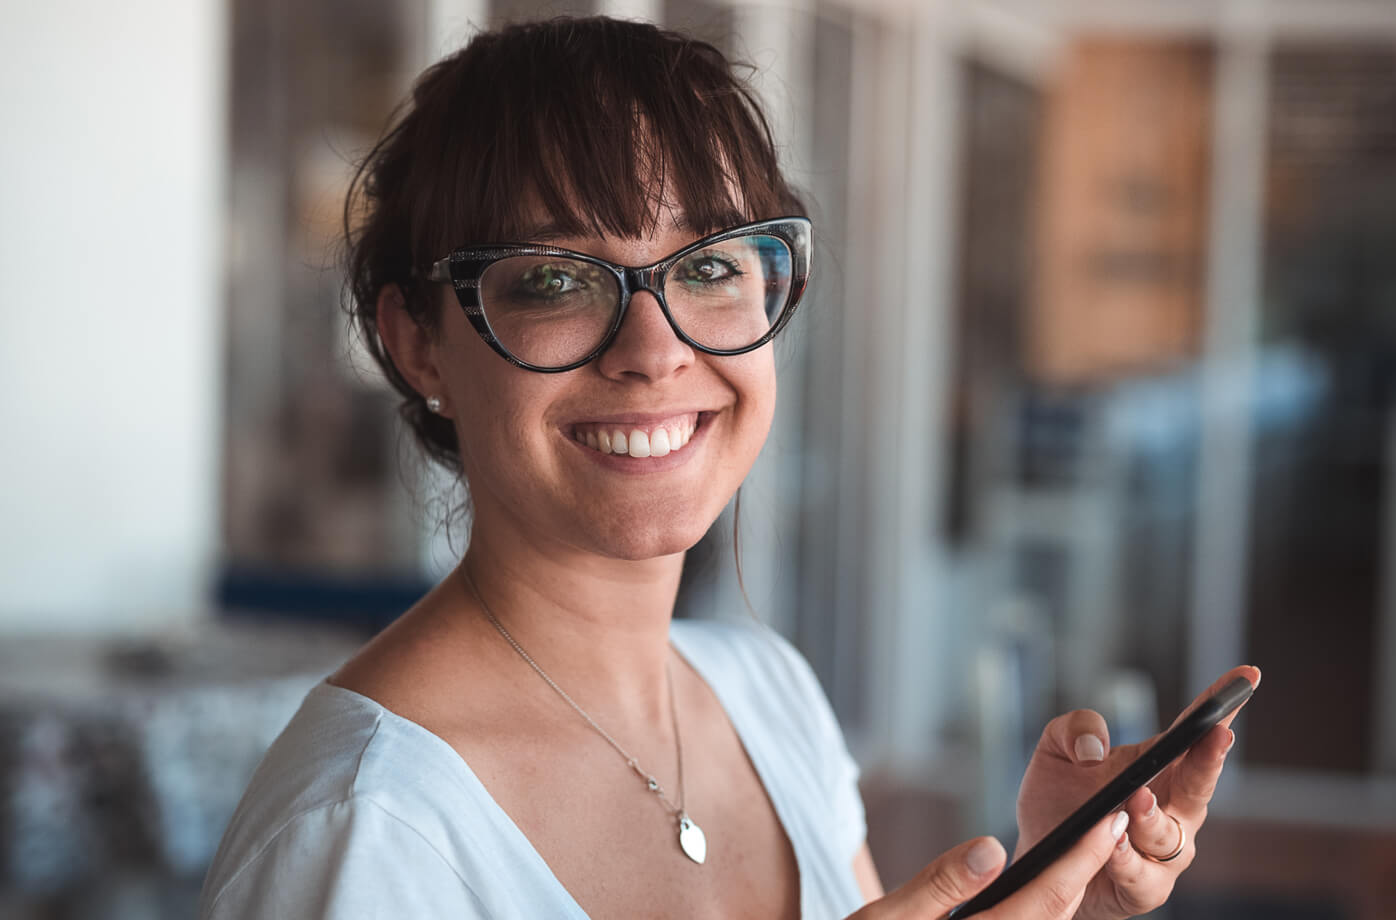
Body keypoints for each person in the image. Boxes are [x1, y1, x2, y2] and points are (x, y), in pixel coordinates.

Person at [198, 16, 1257, 920]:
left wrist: (1044, 887)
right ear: (418, 340)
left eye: (707, 265)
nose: (653, 349)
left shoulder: (768, 696)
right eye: (557, 279)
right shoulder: (364, 832)